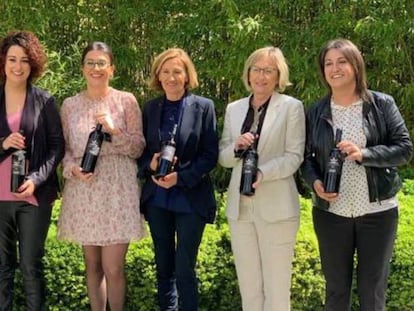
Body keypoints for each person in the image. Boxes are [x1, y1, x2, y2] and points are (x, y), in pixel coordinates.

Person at [301, 38, 413, 311]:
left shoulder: (381, 104)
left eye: (342, 61)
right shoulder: (315, 112)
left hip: (377, 212)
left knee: (372, 292)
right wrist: (315, 182)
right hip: (331, 214)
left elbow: (404, 149)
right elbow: (305, 159)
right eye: (328, 63)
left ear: (356, 65)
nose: (334, 68)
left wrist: (365, 154)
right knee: (336, 291)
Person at [57, 41, 146, 311]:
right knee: (93, 266)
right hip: (86, 190)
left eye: (101, 63)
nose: (96, 68)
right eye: (90, 63)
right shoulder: (70, 105)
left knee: (114, 267)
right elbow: (65, 151)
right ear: (83, 68)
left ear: (111, 69)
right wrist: (73, 169)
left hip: (118, 190)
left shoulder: (125, 100)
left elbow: (138, 147)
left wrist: (113, 131)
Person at [218, 46, 306, 311]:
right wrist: (236, 147)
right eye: (256, 69)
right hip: (240, 209)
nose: (261, 76)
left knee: (277, 290)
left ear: (279, 75)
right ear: (248, 73)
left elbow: (294, 156)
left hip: (277, 209)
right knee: (249, 288)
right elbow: (222, 157)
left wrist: (263, 172)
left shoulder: (291, 107)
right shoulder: (234, 108)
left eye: (269, 70)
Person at [138, 48, 218, 311]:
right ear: (158, 76)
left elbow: (210, 155)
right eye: (165, 71)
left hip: (190, 197)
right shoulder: (150, 108)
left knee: (184, 267)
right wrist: (150, 164)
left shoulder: (204, 107)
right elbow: (140, 152)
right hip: (157, 198)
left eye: (177, 71)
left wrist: (180, 178)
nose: (171, 77)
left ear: (186, 76)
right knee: (163, 266)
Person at [0, 31, 65, 310]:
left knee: (30, 266)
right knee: (1, 267)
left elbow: (57, 146)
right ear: (3, 62)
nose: (18, 66)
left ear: (33, 63)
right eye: (12, 59)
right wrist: (2, 143)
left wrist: (37, 179)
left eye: (24, 60)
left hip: (33, 198)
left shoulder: (45, 101)